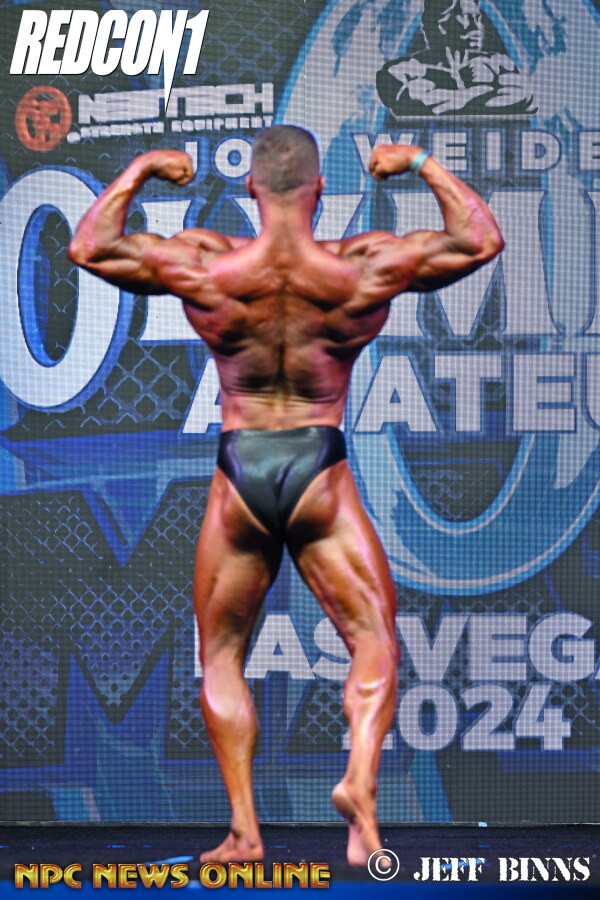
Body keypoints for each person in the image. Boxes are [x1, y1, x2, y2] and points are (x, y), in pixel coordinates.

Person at [68, 125, 504, 866]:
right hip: (318, 466)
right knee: (372, 640)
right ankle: (359, 785)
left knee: (221, 654)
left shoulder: (206, 264)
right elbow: (479, 239)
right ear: (319, 190)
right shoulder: (362, 266)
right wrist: (420, 162)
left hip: (240, 468)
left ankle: (244, 832)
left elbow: (90, 247)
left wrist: (140, 169)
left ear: (251, 188)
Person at [377, 0, 535, 116]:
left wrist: (459, 99)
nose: (476, 27)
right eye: (466, 17)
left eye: (477, 18)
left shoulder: (498, 65)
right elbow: (416, 103)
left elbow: (525, 97)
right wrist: (482, 92)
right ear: (441, 24)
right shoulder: (403, 70)